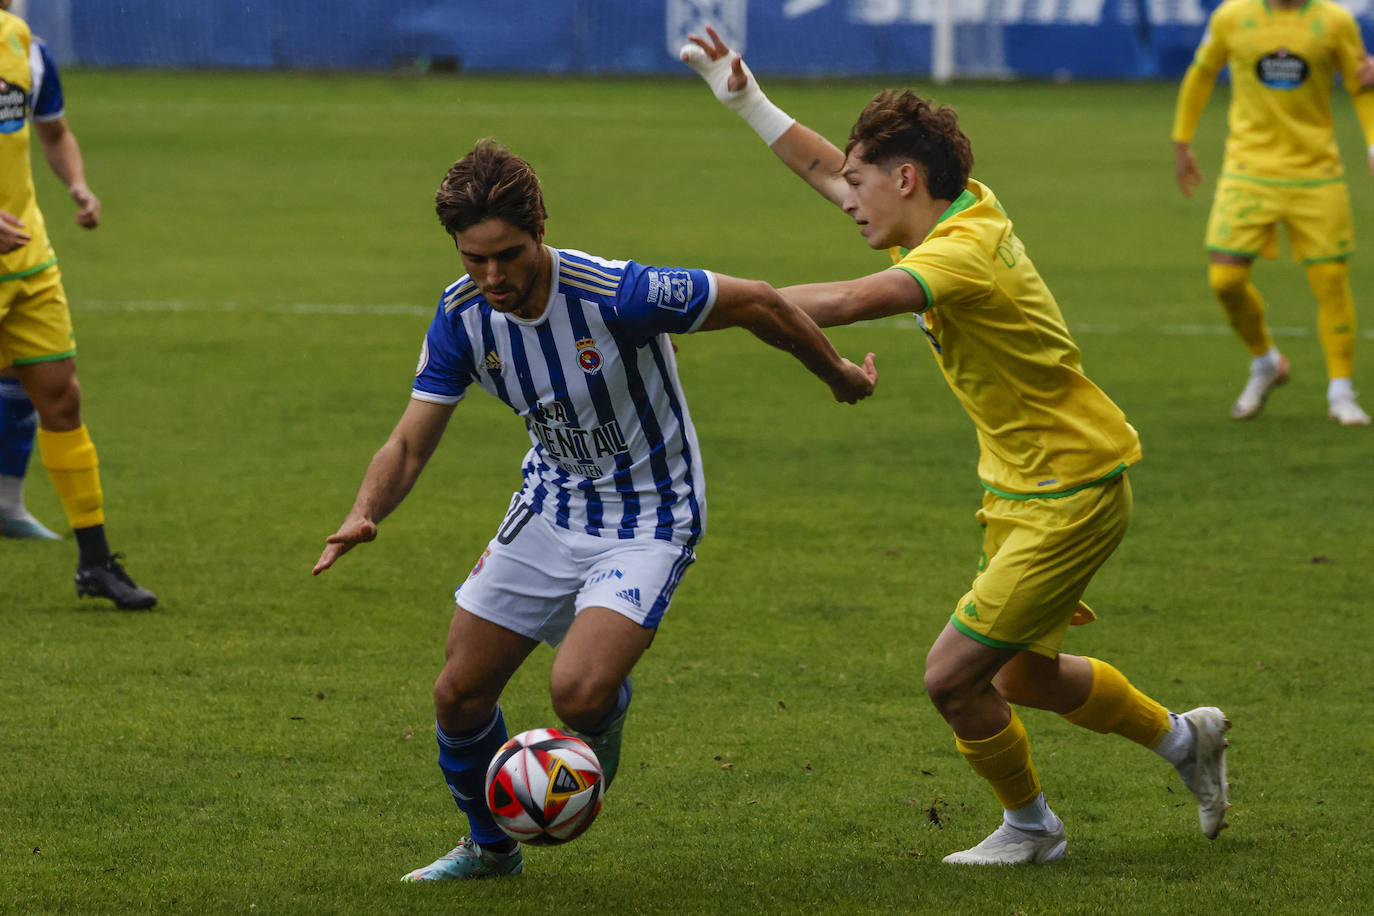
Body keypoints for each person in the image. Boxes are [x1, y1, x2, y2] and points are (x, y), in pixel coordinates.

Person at [682, 28, 1230, 865]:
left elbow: (850, 299)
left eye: (861, 183)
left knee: (951, 677)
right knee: (1021, 680)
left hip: (1070, 489)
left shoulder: (963, 252)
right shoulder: (953, 205)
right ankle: (1185, 741)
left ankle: (1033, 830)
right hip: (1026, 487)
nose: (848, 196)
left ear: (906, 179)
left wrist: (693, 305)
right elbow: (826, 169)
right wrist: (745, 99)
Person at [312, 139, 876, 881]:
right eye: (472, 260)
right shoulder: (461, 318)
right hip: (549, 507)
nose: (491, 276)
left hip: (650, 515)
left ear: (540, 227)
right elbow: (410, 442)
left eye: (507, 255)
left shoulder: (621, 294)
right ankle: (490, 848)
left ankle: (601, 701)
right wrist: (365, 510)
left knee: (577, 691)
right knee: (457, 694)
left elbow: (760, 301)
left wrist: (836, 374)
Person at [0, 1, 156, 608]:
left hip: (28, 258)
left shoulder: (26, 48)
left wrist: (78, 185)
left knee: (61, 398)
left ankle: (95, 561)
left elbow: (54, 131)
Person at [1171, 0, 1374, 425]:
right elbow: (1202, 72)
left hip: (1317, 172)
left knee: (1332, 280)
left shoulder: (1335, 22)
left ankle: (1341, 391)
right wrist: (1181, 140)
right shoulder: (1231, 17)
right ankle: (1265, 361)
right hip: (1249, 170)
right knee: (1225, 280)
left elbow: (1362, 84)